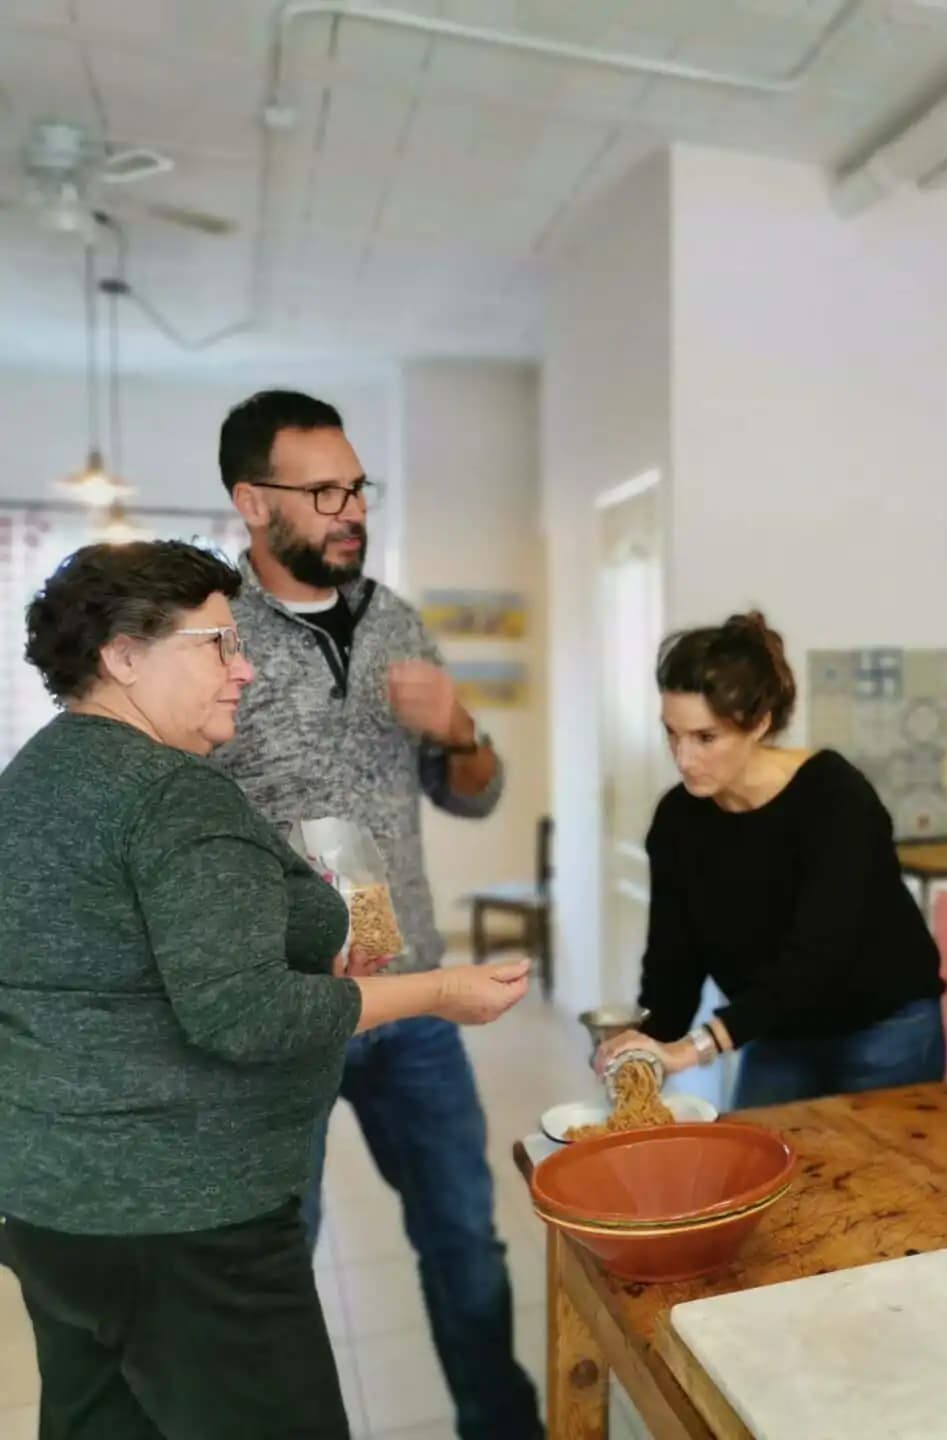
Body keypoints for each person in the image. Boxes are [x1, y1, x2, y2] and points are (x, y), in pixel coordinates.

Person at [0, 542, 529, 1440]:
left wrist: (297, 961)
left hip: (53, 1210)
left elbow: (109, 965)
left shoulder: (33, 779)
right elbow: (245, 1017)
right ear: (122, 656)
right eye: (217, 644)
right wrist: (438, 990)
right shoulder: (175, 795)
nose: (244, 669)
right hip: (186, 1223)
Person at [207, 391, 543, 1438]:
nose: (352, 509)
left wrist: (461, 727)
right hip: (288, 1014)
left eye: (358, 486)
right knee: (276, 1258)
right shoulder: (207, 633)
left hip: (420, 1004)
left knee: (465, 1244)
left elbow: (475, 792)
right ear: (253, 504)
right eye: (325, 491)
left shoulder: (397, 617)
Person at [595, 612, 947, 1108]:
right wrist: (646, 1047)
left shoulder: (835, 798)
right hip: (777, 1031)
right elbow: (672, 961)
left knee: (885, 1181)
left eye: (705, 737)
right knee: (760, 1175)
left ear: (759, 723)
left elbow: (818, 955)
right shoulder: (678, 820)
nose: (683, 758)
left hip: (885, 1029)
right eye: (672, 733)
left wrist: (699, 1047)